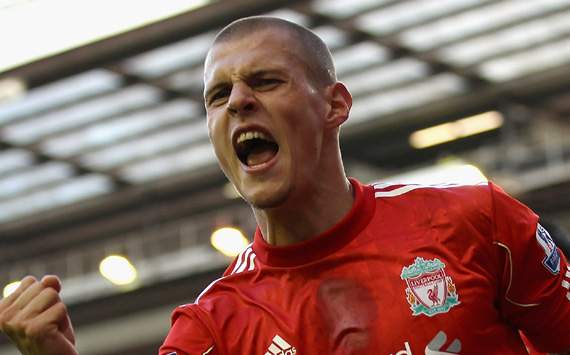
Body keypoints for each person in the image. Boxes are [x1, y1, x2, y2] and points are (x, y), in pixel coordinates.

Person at [1, 16, 570, 355]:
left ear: (335, 104)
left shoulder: (474, 222)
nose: (239, 102)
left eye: (265, 81)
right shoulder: (212, 330)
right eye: (217, 96)